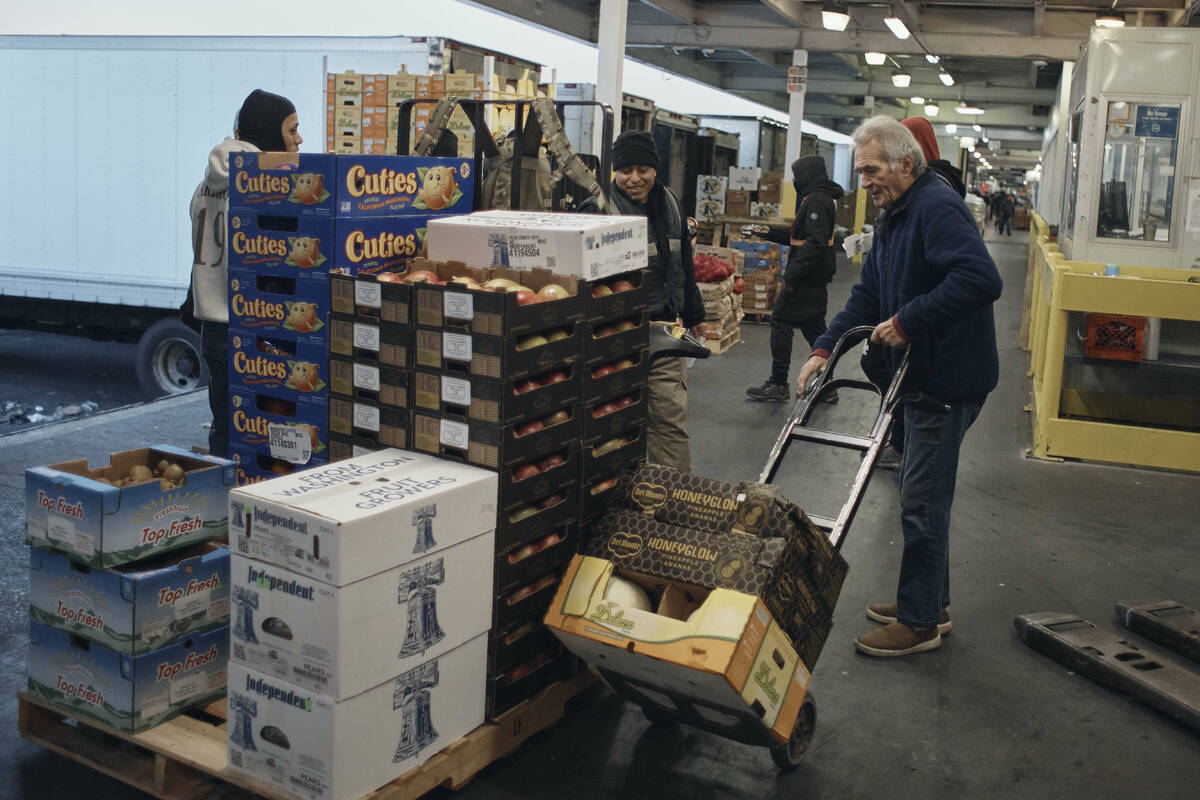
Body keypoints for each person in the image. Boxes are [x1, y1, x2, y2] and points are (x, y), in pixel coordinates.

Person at [795, 116, 1002, 657]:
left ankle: (919, 623)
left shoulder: (935, 207)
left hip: (946, 379)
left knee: (921, 500)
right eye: (860, 171)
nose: (865, 181)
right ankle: (930, 602)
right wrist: (825, 347)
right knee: (922, 495)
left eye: (872, 170)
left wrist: (910, 320)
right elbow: (868, 293)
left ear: (906, 164)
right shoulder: (895, 213)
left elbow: (982, 279)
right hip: (916, 377)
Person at [579, 131, 704, 472]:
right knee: (612, 423)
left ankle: (675, 504)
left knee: (669, 422)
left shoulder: (671, 203)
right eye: (626, 170)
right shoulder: (598, 210)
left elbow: (683, 266)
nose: (635, 178)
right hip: (614, 338)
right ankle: (617, 500)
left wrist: (694, 314)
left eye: (642, 169)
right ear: (615, 172)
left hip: (664, 332)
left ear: (654, 169)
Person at [190, 89, 301, 457]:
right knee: (271, 433)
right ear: (270, 133)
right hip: (257, 325)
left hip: (215, 328)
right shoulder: (265, 186)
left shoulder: (205, 184)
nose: (299, 139)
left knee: (225, 429)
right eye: (292, 130)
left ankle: (223, 504)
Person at [746, 156, 843, 403]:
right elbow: (799, 237)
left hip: (806, 278)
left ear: (808, 175)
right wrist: (768, 232)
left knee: (780, 320)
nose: (793, 180)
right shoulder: (816, 198)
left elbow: (816, 242)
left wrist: (793, 273)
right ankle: (827, 386)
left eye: (796, 175)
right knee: (813, 326)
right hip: (814, 276)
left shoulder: (817, 201)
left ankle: (779, 383)